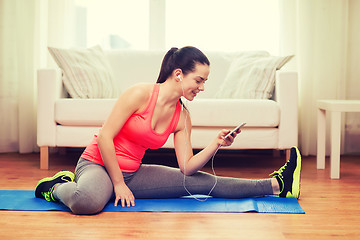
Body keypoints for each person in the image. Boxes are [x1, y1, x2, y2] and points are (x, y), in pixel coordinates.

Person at [35, 46, 302, 215]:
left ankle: (278, 183)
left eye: (205, 81)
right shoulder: (139, 93)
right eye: (198, 80)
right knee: (88, 202)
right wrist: (118, 184)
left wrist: (215, 143)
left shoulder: (182, 116)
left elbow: (186, 167)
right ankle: (57, 186)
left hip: (133, 173)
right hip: (98, 164)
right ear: (178, 74)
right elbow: (105, 137)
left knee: (203, 184)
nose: (202, 87)